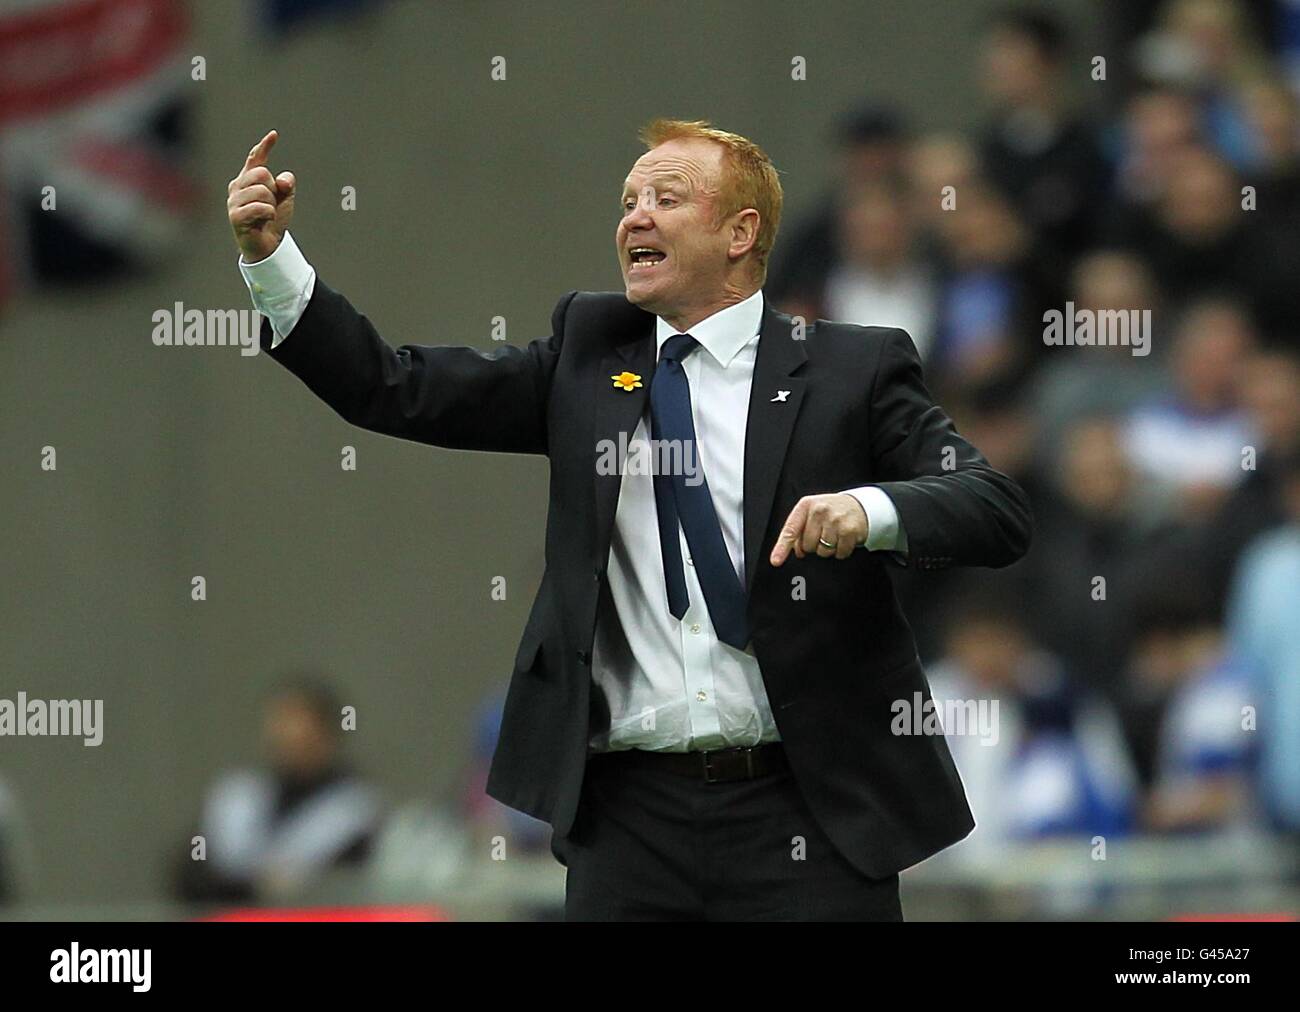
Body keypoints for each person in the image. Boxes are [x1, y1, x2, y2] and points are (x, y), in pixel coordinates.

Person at [226, 119, 1032, 921]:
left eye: (666, 197)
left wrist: (867, 510)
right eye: (628, 201)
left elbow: (990, 505)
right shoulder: (586, 356)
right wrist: (272, 262)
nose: (634, 216)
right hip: (630, 825)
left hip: (808, 815)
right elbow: (392, 386)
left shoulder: (851, 367)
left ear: (741, 233)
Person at [176, 677, 381, 904]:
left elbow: (343, 886)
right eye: (280, 722)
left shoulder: (354, 812)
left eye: (301, 723)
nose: (288, 735)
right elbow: (191, 875)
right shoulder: (240, 796)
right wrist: (251, 885)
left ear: (327, 734)